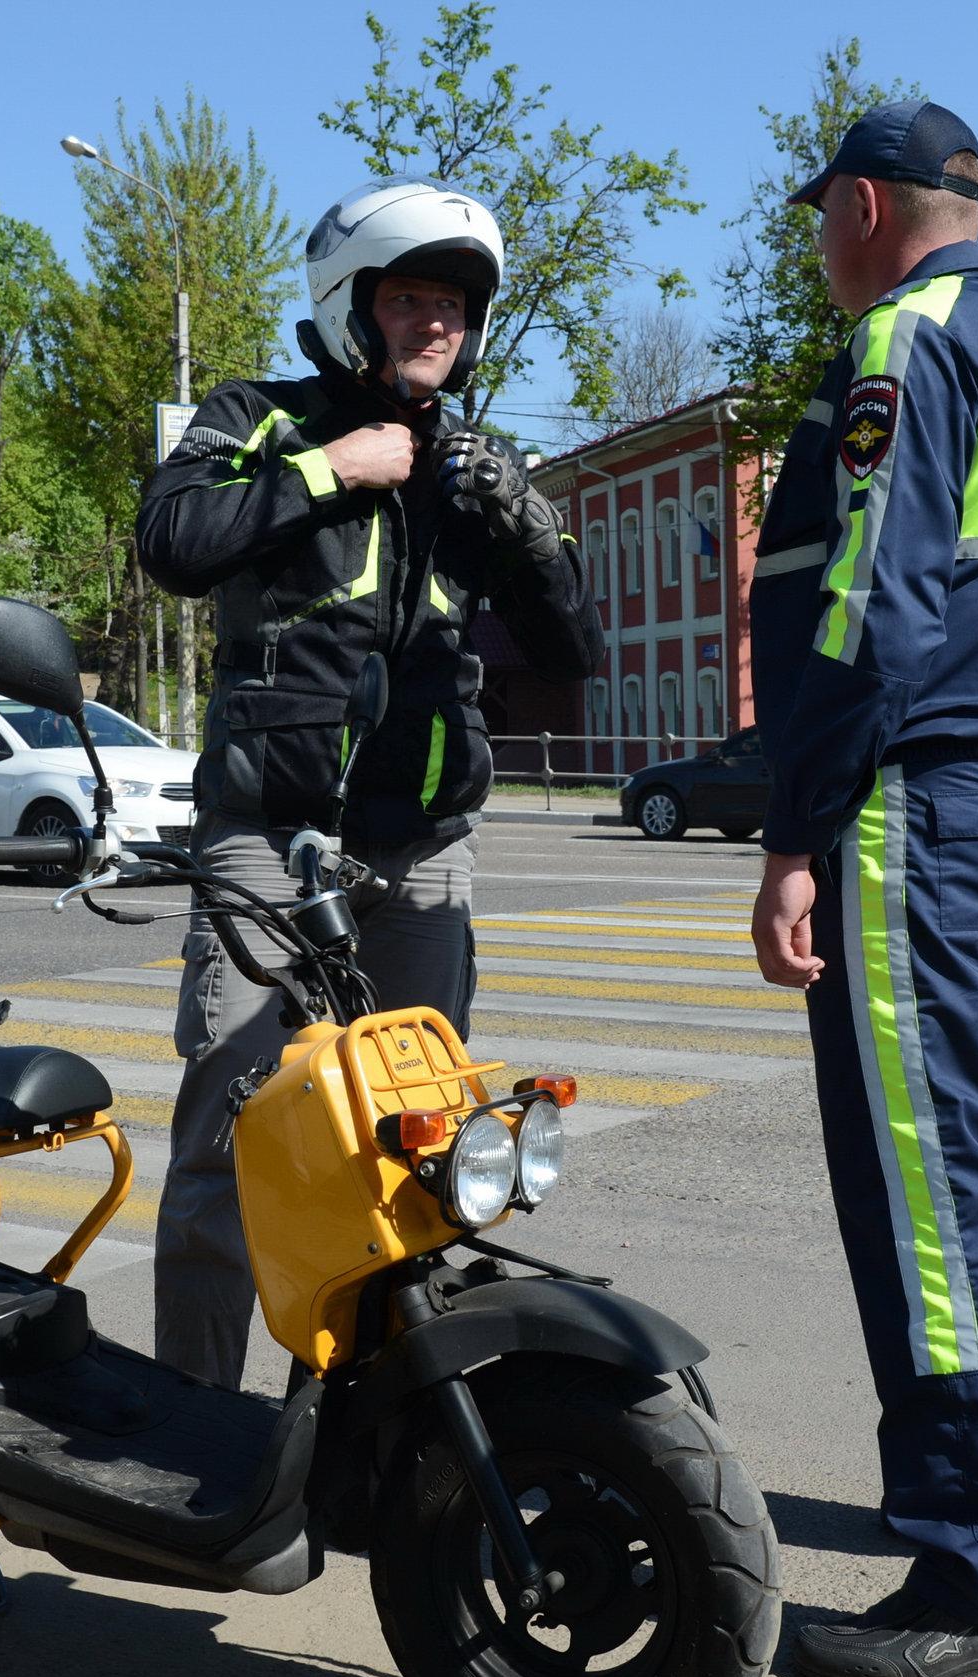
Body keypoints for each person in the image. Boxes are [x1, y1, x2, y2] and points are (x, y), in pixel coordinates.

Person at [745, 101, 978, 1677]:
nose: (813, 240)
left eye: (817, 211)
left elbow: (866, 607)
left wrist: (790, 830)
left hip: (908, 807)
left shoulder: (904, 352)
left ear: (859, 206)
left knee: (925, 1184)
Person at [136, 176, 603, 1390]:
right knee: (228, 1137)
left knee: (417, 1148)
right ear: (350, 306)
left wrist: (531, 537)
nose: (434, 323)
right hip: (268, 840)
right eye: (408, 297)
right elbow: (171, 542)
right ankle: (195, 1419)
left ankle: (354, 1427)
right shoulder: (261, 416)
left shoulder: (475, 472)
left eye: (452, 304)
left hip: (423, 851)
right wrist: (332, 468)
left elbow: (570, 663)